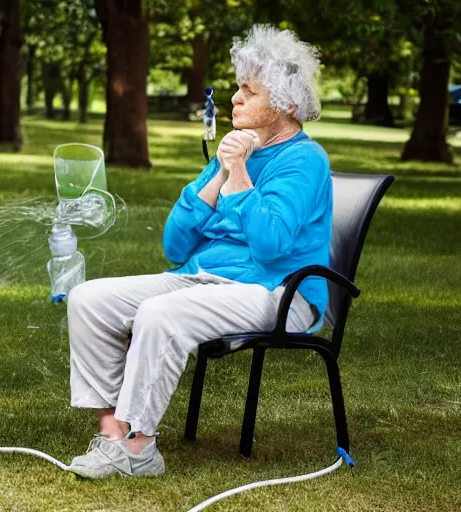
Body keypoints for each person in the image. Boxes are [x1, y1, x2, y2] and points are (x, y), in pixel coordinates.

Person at [67, 24, 332, 479]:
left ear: (286, 104)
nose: (234, 98)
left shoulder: (305, 160)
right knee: (88, 300)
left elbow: (271, 247)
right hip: (202, 278)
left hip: (279, 292)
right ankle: (113, 434)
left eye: (249, 91)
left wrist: (241, 175)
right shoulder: (228, 155)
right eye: (237, 88)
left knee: (160, 313)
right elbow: (174, 245)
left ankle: (140, 447)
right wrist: (220, 174)